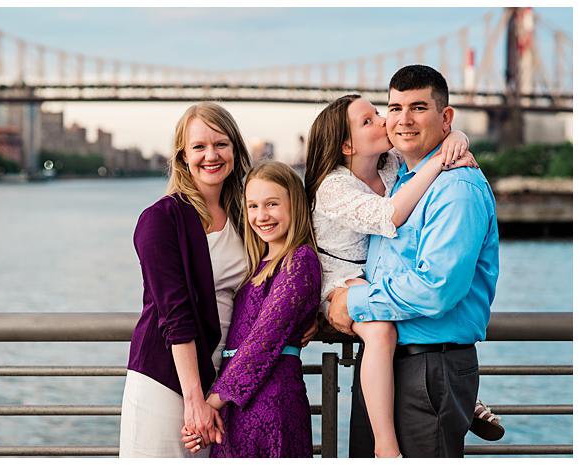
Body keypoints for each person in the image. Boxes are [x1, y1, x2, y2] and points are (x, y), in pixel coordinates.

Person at [327, 64, 499, 458]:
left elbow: (437, 288)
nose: (403, 119)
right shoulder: (397, 177)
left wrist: (350, 303)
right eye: (395, 108)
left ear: (445, 117)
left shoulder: (457, 187)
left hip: (429, 371)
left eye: (418, 107)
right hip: (384, 365)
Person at [120, 102, 251, 457]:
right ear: (182, 156)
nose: (211, 155)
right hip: (165, 382)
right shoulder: (160, 220)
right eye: (199, 147)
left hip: (219, 384)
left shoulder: (246, 215)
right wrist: (193, 399)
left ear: (236, 150)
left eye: (221, 144)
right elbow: (175, 316)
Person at [182, 161, 322, 457]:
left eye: (272, 204)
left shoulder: (300, 260)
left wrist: (207, 406)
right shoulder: (256, 266)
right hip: (236, 403)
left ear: (294, 205)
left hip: (273, 403)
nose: (261, 216)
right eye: (253, 206)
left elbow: (264, 341)